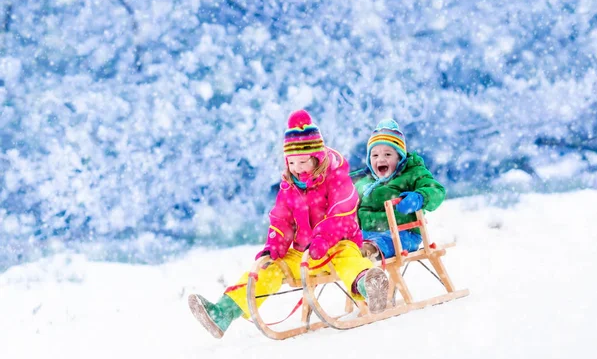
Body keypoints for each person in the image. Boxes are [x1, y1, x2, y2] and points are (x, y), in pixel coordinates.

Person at [188, 110, 389, 339]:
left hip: (338, 245)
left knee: (349, 261)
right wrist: (275, 244)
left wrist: (323, 238)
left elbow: (341, 213)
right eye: (291, 162)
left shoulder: (337, 179)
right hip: (303, 253)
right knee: (269, 269)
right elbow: (281, 219)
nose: (297, 167)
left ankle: (370, 287)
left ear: (317, 158)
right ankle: (223, 313)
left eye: (303, 162)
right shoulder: (289, 187)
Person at [353, 118, 446, 261]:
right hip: (365, 233)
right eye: (375, 155)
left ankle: (371, 251)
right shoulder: (364, 182)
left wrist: (419, 197)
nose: (380, 159)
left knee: (388, 240)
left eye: (388, 154)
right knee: (345, 244)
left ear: (400, 157)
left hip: (404, 232)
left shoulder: (412, 173)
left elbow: (436, 190)